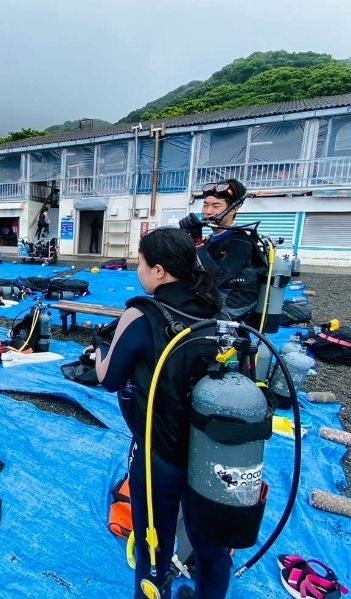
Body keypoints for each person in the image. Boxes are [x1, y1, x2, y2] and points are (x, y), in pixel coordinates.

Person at [94, 228, 230, 599]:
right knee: (212, 549)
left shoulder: (143, 314)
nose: (137, 270)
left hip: (158, 456)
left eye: (139, 262)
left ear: (158, 271)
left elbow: (108, 379)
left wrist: (99, 353)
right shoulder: (217, 312)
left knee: (153, 550)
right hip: (213, 456)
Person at [179, 179, 261, 324]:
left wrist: (197, 242)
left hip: (234, 304)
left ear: (234, 209)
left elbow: (220, 278)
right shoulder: (211, 240)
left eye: (216, 206)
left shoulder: (241, 242)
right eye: (205, 205)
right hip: (214, 297)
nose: (208, 211)